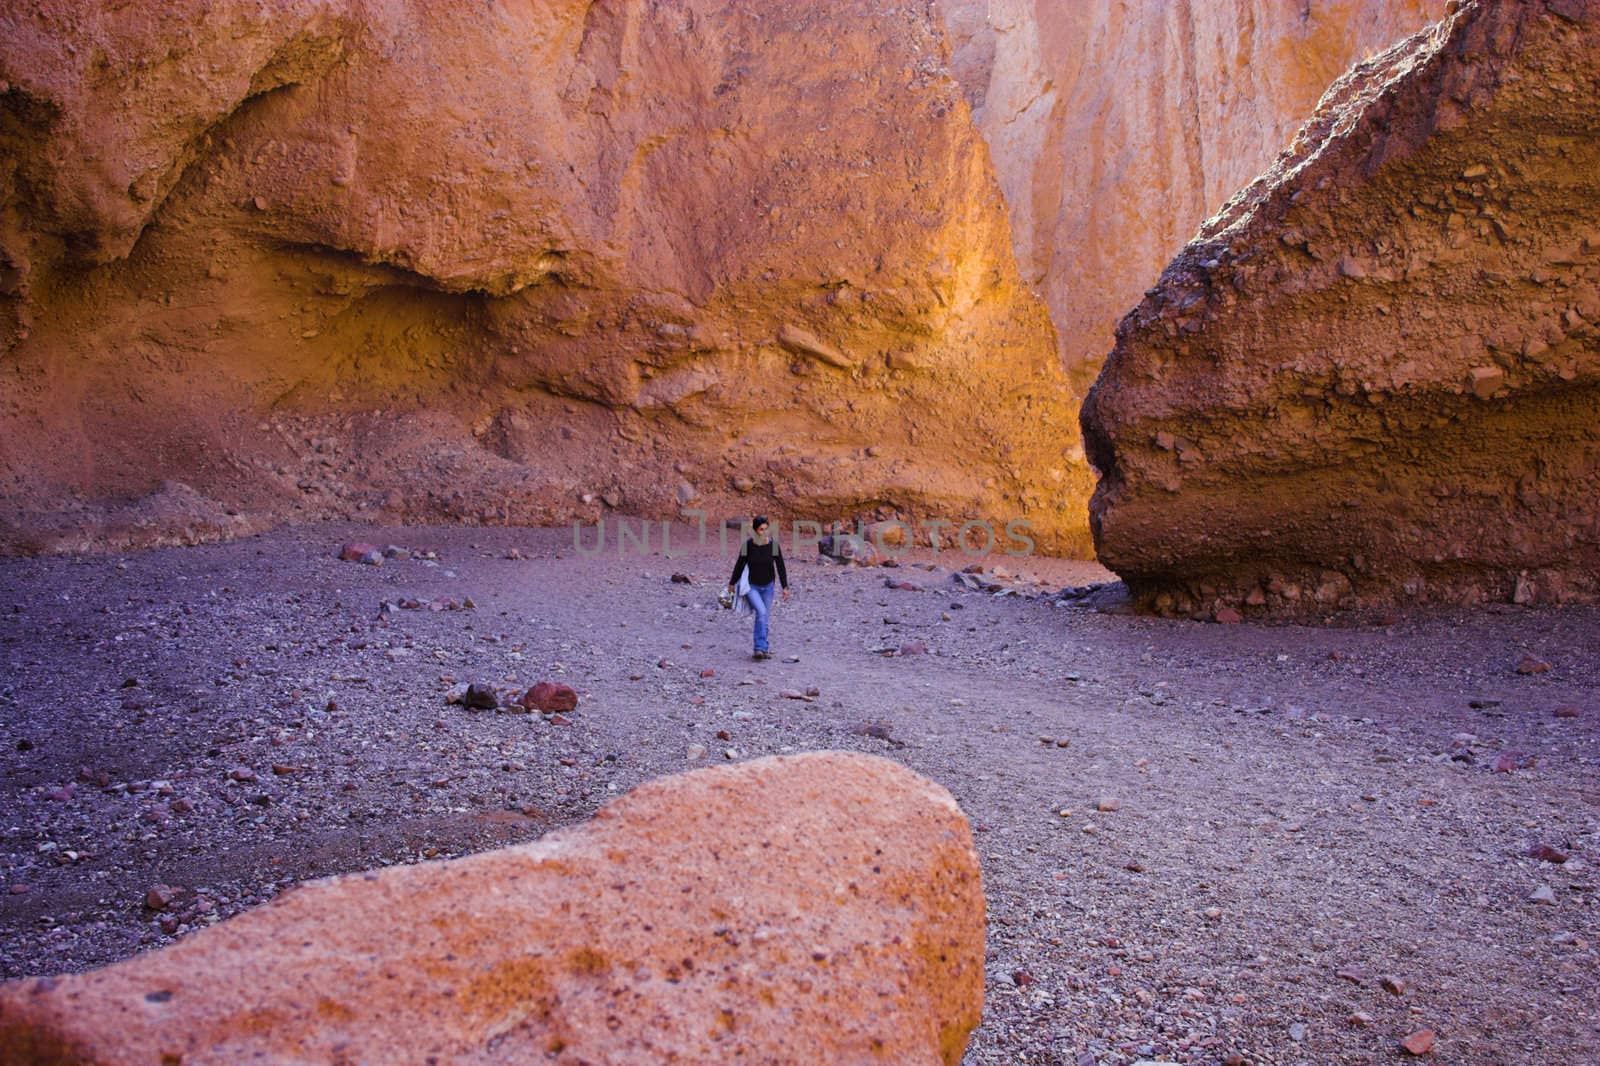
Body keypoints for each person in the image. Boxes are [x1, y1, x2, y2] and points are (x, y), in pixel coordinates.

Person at [727, 515, 790, 659]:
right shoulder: (748, 546)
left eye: (767, 529)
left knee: (764, 617)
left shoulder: (773, 546)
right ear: (755, 531)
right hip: (752, 586)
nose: (765, 532)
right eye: (762, 530)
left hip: (768, 586)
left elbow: (780, 566)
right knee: (761, 612)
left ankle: (763, 648)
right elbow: (739, 564)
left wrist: (785, 586)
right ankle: (759, 647)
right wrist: (732, 583)